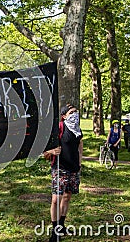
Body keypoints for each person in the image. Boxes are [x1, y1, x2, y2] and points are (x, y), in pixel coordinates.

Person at [43, 104, 83, 242]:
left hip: (73, 168)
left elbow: (80, 143)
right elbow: (45, 147)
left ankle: (61, 225)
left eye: (76, 112)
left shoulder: (77, 128)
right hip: (60, 167)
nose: (75, 114)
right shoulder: (59, 128)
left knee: (67, 197)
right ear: (64, 116)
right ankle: (55, 231)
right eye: (72, 112)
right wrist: (51, 152)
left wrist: (80, 161)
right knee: (56, 199)